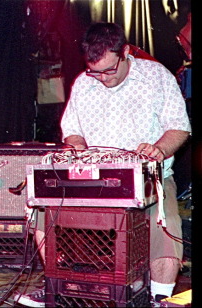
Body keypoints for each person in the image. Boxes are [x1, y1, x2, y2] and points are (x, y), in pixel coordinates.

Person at [60, 22, 191, 306]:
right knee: (43, 213)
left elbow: (179, 128)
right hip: (96, 180)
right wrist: (77, 145)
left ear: (127, 53)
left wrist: (158, 148)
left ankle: (160, 299)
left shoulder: (156, 76)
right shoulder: (84, 82)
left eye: (109, 70)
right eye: (95, 72)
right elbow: (72, 128)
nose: (103, 78)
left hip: (149, 180)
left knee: (166, 227)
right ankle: (61, 284)